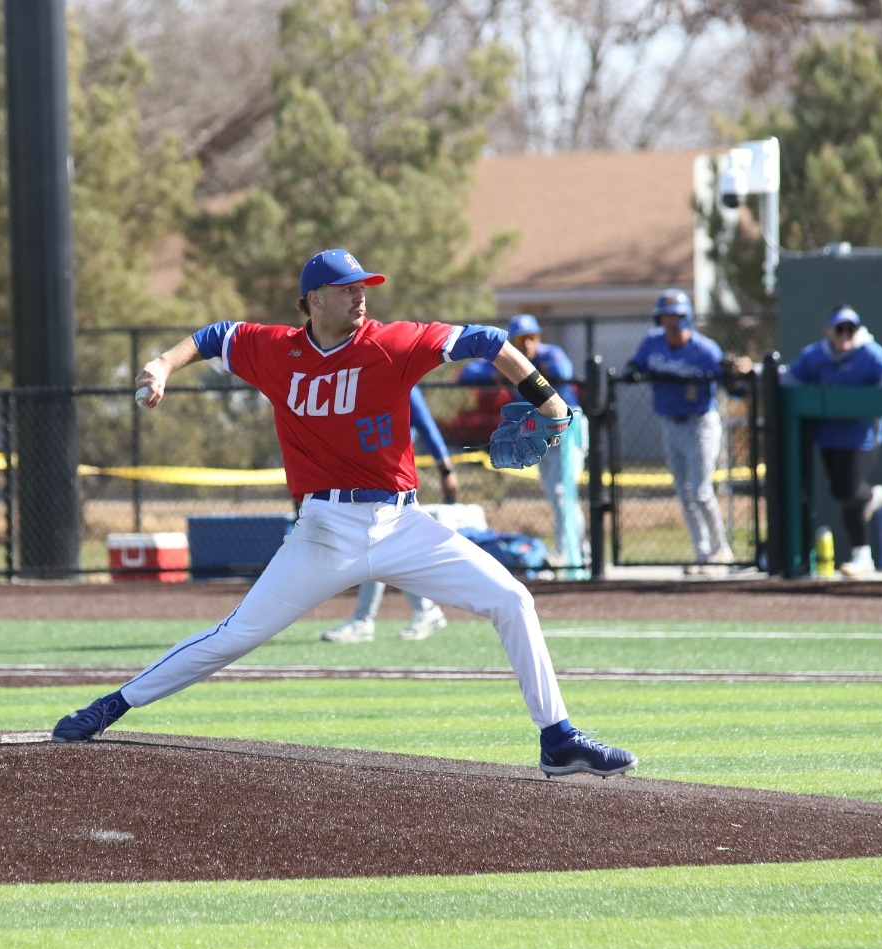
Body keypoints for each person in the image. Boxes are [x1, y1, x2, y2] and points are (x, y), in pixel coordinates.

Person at [51, 248, 637, 778]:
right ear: (313, 300)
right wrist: (161, 365)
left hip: (403, 524)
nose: (361, 295)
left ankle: (557, 739)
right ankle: (111, 706)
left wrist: (548, 397)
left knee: (512, 600)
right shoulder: (276, 350)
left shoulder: (392, 342)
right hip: (325, 531)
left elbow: (486, 341)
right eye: (347, 287)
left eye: (363, 286)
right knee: (234, 637)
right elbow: (215, 335)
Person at [624, 289, 754, 574]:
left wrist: (737, 374)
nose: (672, 321)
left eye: (677, 316)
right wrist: (634, 372)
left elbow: (733, 388)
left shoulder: (704, 349)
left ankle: (721, 551)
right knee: (685, 494)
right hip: (670, 423)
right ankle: (702, 554)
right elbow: (634, 366)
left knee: (701, 491)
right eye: (667, 316)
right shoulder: (652, 343)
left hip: (701, 423)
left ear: (687, 318)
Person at [320, 384, 460, 643]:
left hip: (392, 482)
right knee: (376, 548)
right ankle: (421, 611)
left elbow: (427, 425)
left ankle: (369, 620)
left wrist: (446, 469)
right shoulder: (358, 381)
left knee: (375, 547)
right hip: (367, 478)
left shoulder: (403, 383)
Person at [783, 305, 882, 578]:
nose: (845, 334)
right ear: (828, 330)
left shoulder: (869, 351)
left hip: (861, 436)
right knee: (844, 496)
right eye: (839, 328)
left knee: (846, 490)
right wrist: (759, 372)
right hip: (828, 436)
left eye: (850, 328)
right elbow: (790, 378)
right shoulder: (815, 355)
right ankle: (862, 555)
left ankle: (873, 497)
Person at [501, 314, 587, 574]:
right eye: (520, 339)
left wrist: (532, 369)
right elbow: (472, 373)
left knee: (563, 492)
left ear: (538, 338)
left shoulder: (550, 355)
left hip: (568, 426)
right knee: (555, 492)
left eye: (531, 338)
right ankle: (578, 550)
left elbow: (564, 372)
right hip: (538, 430)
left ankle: (568, 553)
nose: (527, 344)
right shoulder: (511, 363)